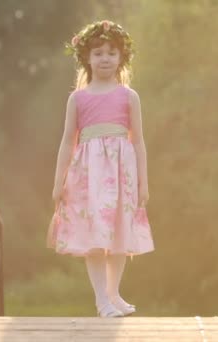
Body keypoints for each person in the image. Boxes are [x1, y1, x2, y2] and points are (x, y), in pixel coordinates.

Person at [47, 20, 155, 318]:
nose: (105, 58)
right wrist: (59, 182)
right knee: (95, 237)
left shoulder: (129, 96)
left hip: (122, 174)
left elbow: (140, 142)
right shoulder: (78, 98)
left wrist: (143, 183)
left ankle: (113, 293)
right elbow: (67, 142)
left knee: (119, 234)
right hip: (88, 176)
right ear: (87, 58)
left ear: (121, 58)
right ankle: (101, 301)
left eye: (111, 52)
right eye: (98, 53)